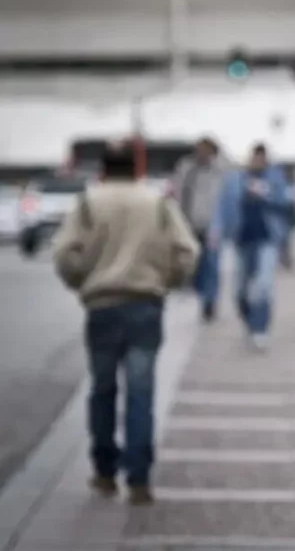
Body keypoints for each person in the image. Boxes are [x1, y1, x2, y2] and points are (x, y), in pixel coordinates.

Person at [53, 144, 199, 505]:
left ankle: (104, 471)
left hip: (102, 305)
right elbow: (188, 251)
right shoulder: (157, 203)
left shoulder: (88, 203)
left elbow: (64, 253)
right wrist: (168, 281)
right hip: (145, 304)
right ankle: (139, 477)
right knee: (141, 392)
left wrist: (81, 282)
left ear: (103, 169)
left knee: (102, 389)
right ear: (136, 168)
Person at [211, 143, 294, 352]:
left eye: (262, 159)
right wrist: (217, 230)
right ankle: (249, 322)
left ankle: (261, 329)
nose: (258, 162)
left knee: (263, 287)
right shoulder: (236, 179)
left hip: (267, 239)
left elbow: (287, 204)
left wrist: (266, 194)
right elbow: (223, 206)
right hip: (241, 240)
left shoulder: (275, 179)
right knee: (240, 290)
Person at [171, 136, 228, 322]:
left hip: (212, 225)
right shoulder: (186, 167)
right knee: (192, 262)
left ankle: (209, 302)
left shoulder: (220, 170)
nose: (200, 154)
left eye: (205, 150)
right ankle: (195, 289)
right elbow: (177, 192)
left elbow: (226, 196)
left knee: (211, 264)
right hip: (189, 223)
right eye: (198, 150)